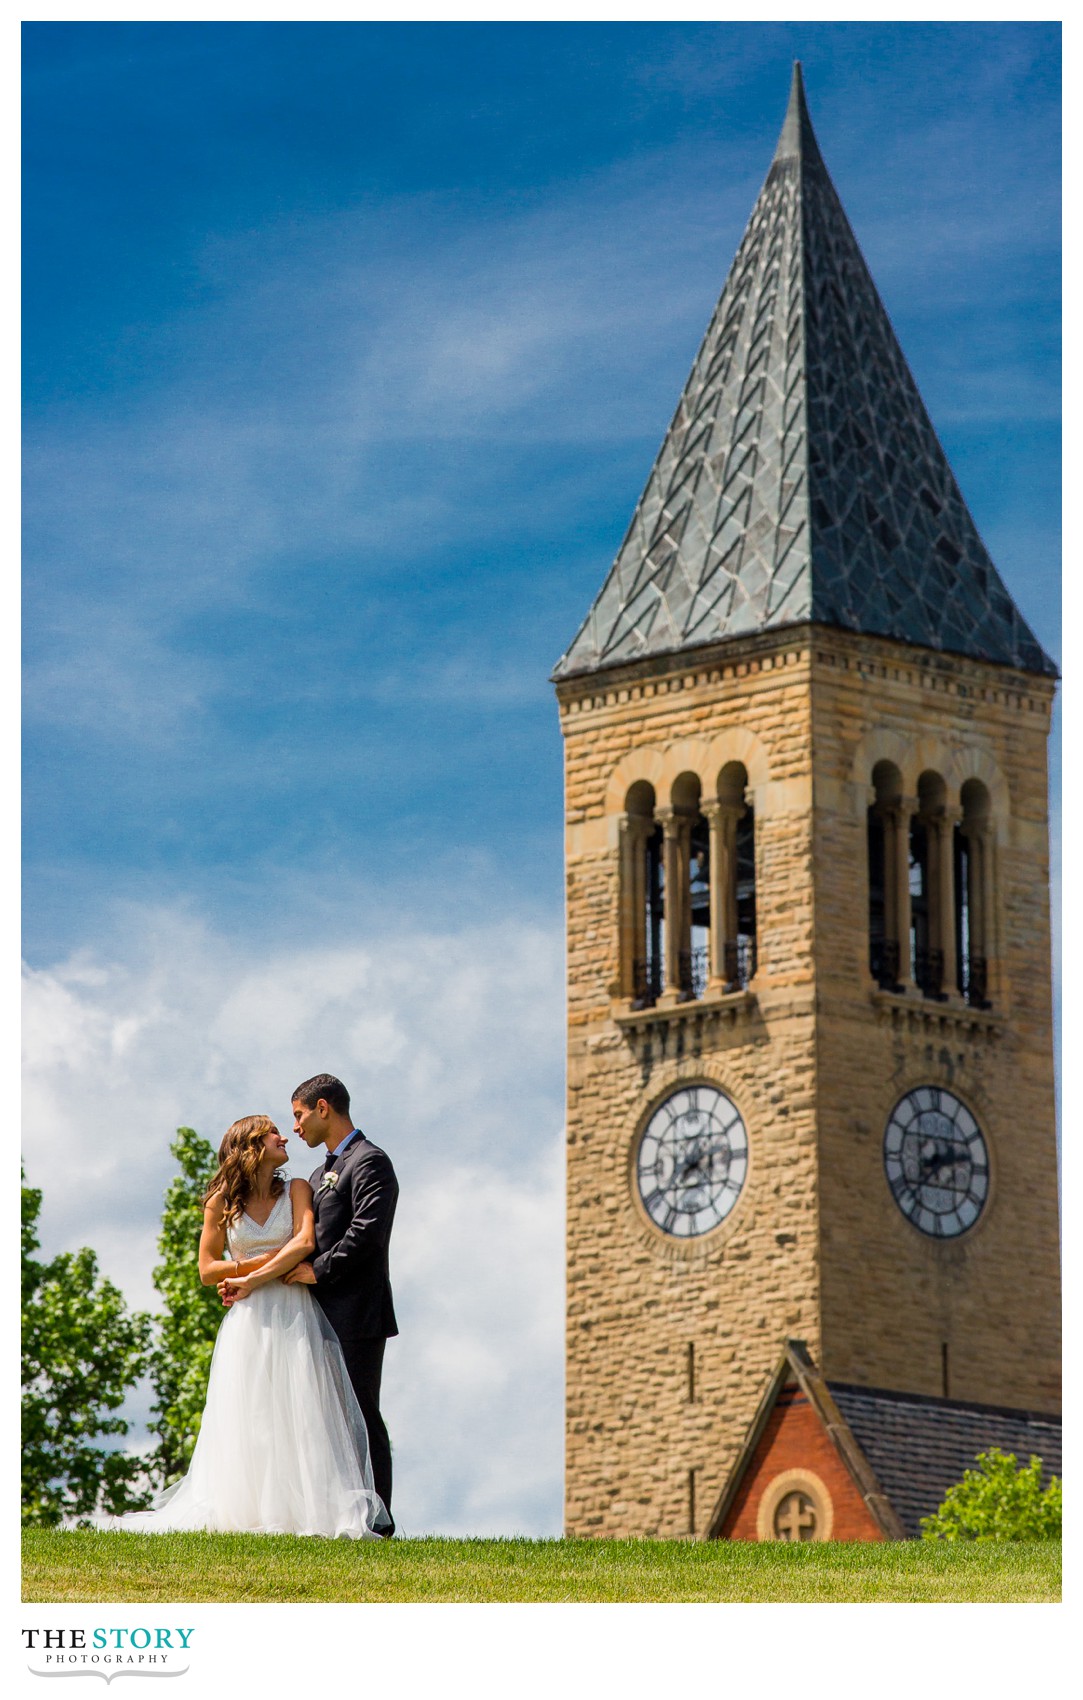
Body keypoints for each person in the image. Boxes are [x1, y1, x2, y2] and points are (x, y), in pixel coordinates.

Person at [108, 1114, 390, 1538]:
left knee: (301, 1410)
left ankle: (305, 1511)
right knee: (253, 1414)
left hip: (296, 1310)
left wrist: (247, 1277)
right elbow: (207, 1269)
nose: (284, 1136)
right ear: (251, 1146)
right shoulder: (219, 1202)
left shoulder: (298, 1187)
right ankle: (252, 1510)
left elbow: (305, 1244)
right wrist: (251, 1270)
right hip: (248, 1318)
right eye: (273, 1132)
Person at [284, 1074, 399, 1533]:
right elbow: (301, 1240)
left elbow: (368, 1234)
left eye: (299, 1115)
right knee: (326, 1420)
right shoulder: (316, 1175)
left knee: (361, 1415)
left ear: (323, 1108)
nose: (295, 1127)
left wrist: (319, 1270)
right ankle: (339, 1517)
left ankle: (378, 1521)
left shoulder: (370, 1161)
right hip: (317, 1315)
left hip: (357, 1314)